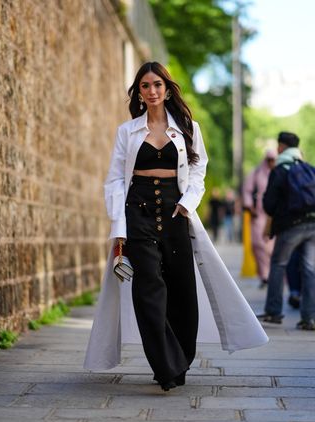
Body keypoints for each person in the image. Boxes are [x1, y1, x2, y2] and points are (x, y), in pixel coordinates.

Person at [84, 61, 268, 391]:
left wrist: (188, 202)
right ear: (138, 92)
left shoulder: (188, 128)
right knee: (147, 289)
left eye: (157, 85)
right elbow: (113, 179)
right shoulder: (127, 132)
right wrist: (119, 225)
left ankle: (181, 357)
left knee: (182, 289)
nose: (152, 91)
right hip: (137, 211)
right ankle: (164, 363)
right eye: (145, 86)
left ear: (167, 89)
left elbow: (199, 170)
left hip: (175, 213)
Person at [257, 132, 315, 330]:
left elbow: (269, 203)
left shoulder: (280, 169)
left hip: (291, 226)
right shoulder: (308, 167)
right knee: (310, 270)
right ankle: (310, 318)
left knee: (278, 264)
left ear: (281, 147)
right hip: (313, 225)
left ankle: (274, 312)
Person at [242, 150, 276, 288]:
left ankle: (274, 275)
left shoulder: (278, 172)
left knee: (271, 245)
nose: (271, 162)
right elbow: (247, 191)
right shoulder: (256, 173)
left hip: (273, 213)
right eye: (269, 159)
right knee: (258, 244)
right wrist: (250, 207)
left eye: (273, 159)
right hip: (259, 213)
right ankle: (264, 275)